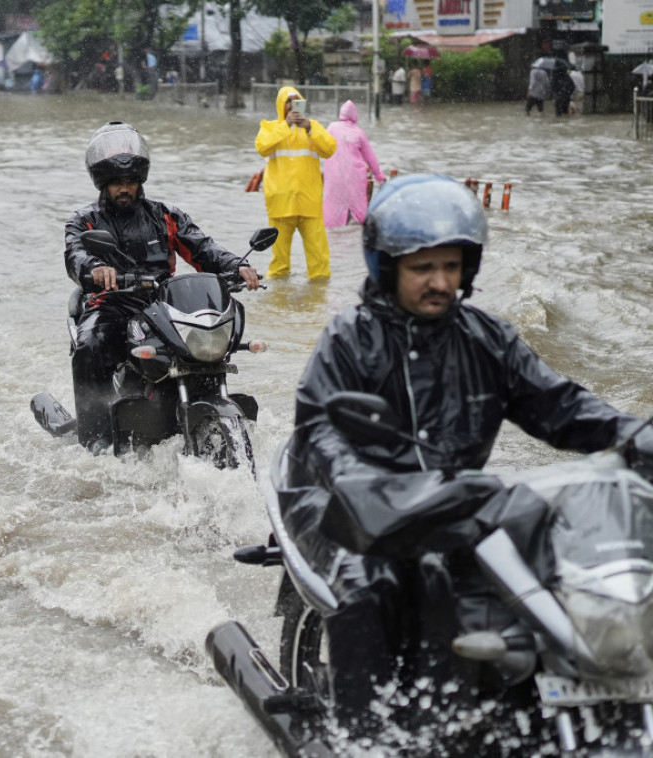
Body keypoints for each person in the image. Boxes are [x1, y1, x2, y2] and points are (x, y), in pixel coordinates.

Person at [279, 173, 653, 737]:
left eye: (451, 266)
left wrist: (636, 434)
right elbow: (323, 434)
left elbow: (563, 408)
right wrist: (365, 485)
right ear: (387, 267)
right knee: (370, 585)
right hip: (344, 509)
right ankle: (366, 738)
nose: (439, 281)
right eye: (422, 268)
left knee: (554, 572)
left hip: (450, 504)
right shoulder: (348, 340)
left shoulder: (487, 339)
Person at [65, 121, 261, 451]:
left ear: (140, 180)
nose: (124, 188)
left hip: (160, 305)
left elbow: (202, 249)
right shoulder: (85, 220)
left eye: (130, 181)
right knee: (90, 346)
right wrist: (95, 268)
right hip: (110, 303)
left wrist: (236, 265)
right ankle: (95, 439)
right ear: (103, 183)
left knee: (204, 347)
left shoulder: (165, 215)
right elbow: (75, 254)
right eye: (116, 183)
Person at [255, 86, 337, 279]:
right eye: (288, 102)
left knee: (320, 262)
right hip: (280, 204)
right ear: (281, 106)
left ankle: (318, 302)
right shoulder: (270, 127)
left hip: (309, 203)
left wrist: (309, 128)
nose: (292, 106)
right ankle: (280, 301)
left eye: (296, 101)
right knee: (279, 264)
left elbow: (330, 148)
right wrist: (286, 126)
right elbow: (262, 147)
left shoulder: (312, 126)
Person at [322, 100, 386, 228]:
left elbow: (320, 146)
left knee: (334, 209)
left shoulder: (331, 127)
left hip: (334, 176)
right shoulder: (359, 133)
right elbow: (370, 158)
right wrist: (380, 176)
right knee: (356, 211)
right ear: (355, 116)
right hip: (354, 178)